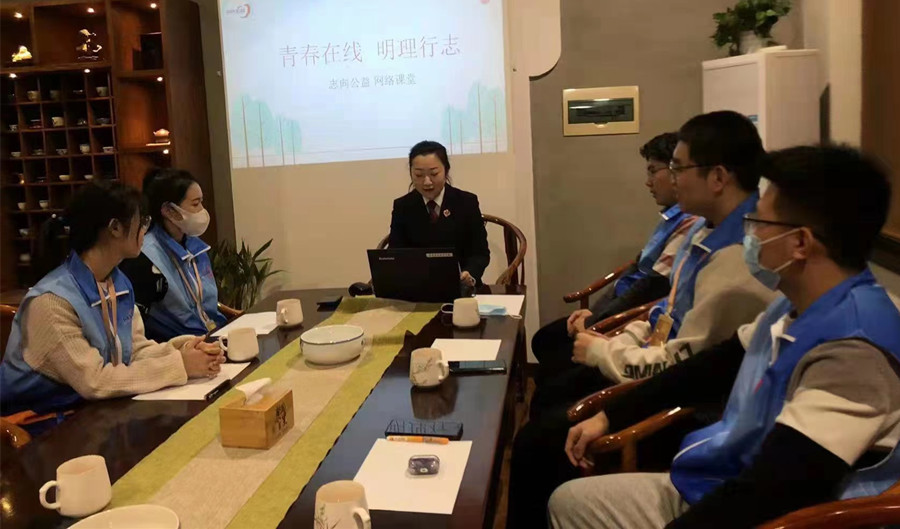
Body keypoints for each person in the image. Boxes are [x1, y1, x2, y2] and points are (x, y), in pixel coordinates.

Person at [550, 145, 900, 529]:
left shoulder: (855, 350)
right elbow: (710, 367)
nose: (749, 235)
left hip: (781, 514)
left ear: (800, 243)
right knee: (568, 501)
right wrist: (610, 416)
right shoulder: (797, 304)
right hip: (721, 479)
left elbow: (776, 490)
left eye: (760, 223)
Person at [507, 111, 778, 529]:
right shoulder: (704, 232)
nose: (670, 178)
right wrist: (618, 341)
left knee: (538, 442)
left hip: (686, 408)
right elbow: (663, 311)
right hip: (651, 371)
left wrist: (604, 353)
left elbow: (687, 365)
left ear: (718, 177)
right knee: (548, 412)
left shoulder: (739, 260)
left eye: (677, 168)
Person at [0, 182, 224, 417]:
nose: (145, 230)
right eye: (142, 222)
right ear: (115, 227)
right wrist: (181, 365)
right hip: (36, 425)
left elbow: (133, 351)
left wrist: (185, 349)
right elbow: (95, 381)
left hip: (92, 412)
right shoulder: (51, 302)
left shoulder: (116, 281)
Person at [530, 132, 697, 411]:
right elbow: (633, 274)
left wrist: (597, 322)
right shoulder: (672, 219)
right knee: (545, 342)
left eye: (653, 171)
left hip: (636, 331)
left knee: (551, 375)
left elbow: (650, 289)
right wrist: (594, 313)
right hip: (629, 322)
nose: (648, 182)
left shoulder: (691, 223)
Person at [120, 168, 226, 341]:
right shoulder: (144, 257)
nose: (202, 211)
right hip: (180, 346)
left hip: (215, 334)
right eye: (195, 204)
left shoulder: (195, 245)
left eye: (201, 202)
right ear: (169, 210)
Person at [388, 140, 490, 286]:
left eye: (434, 174)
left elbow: (480, 253)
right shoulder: (403, 206)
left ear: (446, 170)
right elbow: (395, 253)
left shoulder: (466, 202)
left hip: (462, 286)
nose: (427, 182)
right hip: (418, 287)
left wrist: (470, 274)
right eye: (419, 175)